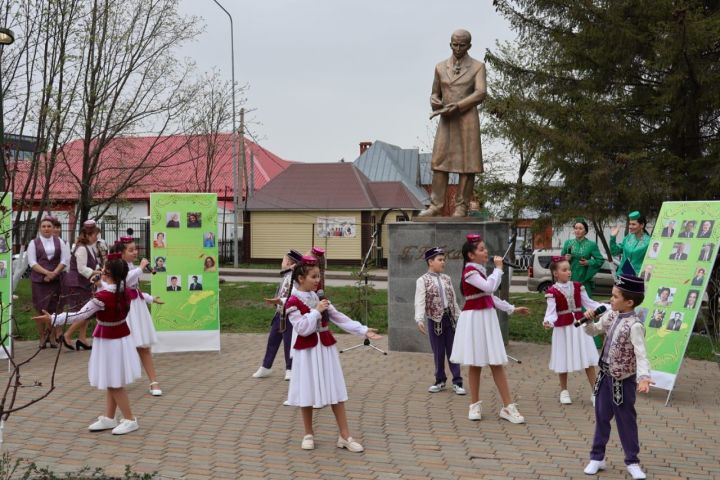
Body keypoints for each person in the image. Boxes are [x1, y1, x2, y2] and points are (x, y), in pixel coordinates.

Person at [34, 253, 162, 435]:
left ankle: (130, 419)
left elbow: (79, 315)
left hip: (110, 341)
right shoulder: (125, 290)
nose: (101, 271)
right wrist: (101, 284)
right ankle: (109, 417)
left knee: (115, 383)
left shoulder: (102, 298)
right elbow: (111, 288)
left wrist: (54, 318)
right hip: (120, 338)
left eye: (104, 270)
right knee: (112, 379)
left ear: (110, 275)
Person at [283, 255, 381, 451]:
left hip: (325, 347)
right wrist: (316, 312)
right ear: (301, 279)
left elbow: (338, 317)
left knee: (336, 388)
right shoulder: (292, 302)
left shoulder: (319, 297)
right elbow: (302, 328)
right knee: (307, 389)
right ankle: (308, 433)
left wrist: (363, 330)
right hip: (307, 350)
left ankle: (345, 436)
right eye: (313, 276)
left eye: (318, 276)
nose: (317, 280)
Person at [450, 234, 530, 423]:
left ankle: (508, 407)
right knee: (475, 363)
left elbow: (489, 297)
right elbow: (489, 287)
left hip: (486, 317)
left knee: (495, 361)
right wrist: (499, 269)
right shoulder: (470, 272)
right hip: (475, 319)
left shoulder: (478, 270)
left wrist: (511, 309)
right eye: (481, 249)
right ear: (470, 255)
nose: (486, 251)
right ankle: (475, 404)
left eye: (485, 248)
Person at [581, 274, 653, 480]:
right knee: (601, 416)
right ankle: (597, 457)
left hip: (623, 380)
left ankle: (632, 461)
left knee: (626, 421)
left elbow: (641, 355)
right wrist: (588, 320)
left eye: (615, 296)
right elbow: (593, 331)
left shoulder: (635, 326)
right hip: (604, 376)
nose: (610, 299)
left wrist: (644, 377)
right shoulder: (610, 316)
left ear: (629, 302)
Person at [418, 29, 487, 217]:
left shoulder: (477, 67)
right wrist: (435, 101)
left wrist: (459, 106)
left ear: (469, 46)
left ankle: (461, 206)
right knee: (439, 161)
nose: (458, 48)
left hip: (467, 119)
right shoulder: (440, 67)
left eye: (462, 45)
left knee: (467, 164)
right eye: (454, 44)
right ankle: (436, 205)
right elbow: (435, 93)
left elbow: (481, 92)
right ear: (450, 44)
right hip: (446, 120)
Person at [543, 257, 600, 405]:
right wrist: (548, 321)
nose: (568, 272)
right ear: (555, 273)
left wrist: (604, 307)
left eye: (569, 269)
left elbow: (588, 303)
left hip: (581, 326)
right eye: (564, 270)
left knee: (587, 358)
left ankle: (595, 391)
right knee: (563, 357)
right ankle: (564, 390)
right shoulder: (552, 291)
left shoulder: (577, 286)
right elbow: (551, 312)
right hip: (563, 328)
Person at [111, 237, 164, 396]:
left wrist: (150, 298)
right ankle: (116, 381)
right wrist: (140, 269)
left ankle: (153, 381)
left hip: (137, 308)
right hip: (125, 309)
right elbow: (124, 282)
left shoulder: (132, 266)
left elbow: (135, 289)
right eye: (131, 250)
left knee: (143, 345)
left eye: (136, 249)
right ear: (121, 253)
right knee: (122, 345)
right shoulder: (117, 267)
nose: (135, 252)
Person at [414, 247, 465, 395]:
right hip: (435, 320)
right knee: (438, 352)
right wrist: (419, 319)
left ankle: (457, 381)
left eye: (444, 259)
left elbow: (453, 300)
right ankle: (440, 380)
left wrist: (459, 317)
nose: (443, 262)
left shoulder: (446, 278)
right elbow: (419, 301)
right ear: (430, 261)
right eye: (440, 260)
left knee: (453, 350)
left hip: (449, 319)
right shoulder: (422, 280)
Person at [253, 249, 303, 381]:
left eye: (283, 260)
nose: (282, 263)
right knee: (272, 340)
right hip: (279, 312)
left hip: (291, 314)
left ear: (289, 262)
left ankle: (290, 368)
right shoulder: (286, 275)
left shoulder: (297, 276)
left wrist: (295, 269)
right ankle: (266, 366)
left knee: (288, 342)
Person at [28, 217, 69, 348]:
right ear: (40, 228)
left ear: (53, 228)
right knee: (40, 309)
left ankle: (51, 337)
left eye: (49, 226)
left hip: (55, 281)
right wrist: (46, 273)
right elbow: (32, 262)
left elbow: (64, 260)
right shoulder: (33, 243)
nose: (46, 228)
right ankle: (42, 337)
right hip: (39, 281)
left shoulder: (60, 242)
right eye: (44, 226)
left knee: (54, 309)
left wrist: (54, 274)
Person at [62, 219, 103, 351]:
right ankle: (67, 335)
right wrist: (96, 271)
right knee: (84, 312)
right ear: (89, 235)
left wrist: (99, 268)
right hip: (77, 284)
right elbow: (82, 268)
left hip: (84, 284)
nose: (97, 237)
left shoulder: (89, 247)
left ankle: (82, 338)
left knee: (88, 312)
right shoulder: (81, 248)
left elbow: (91, 264)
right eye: (96, 235)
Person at [561, 218, 605, 296]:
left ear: (585, 231)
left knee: (585, 305)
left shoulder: (591, 245)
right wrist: (565, 259)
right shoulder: (568, 243)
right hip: (569, 279)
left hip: (584, 279)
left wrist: (588, 262)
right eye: (576, 228)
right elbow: (560, 260)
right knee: (570, 304)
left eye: (580, 228)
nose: (577, 230)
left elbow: (600, 260)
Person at [610, 211, 651, 277]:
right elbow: (614, 252)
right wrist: (612, 238)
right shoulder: (627, 238)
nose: (630, 227)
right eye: (630, 224)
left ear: (642, 225)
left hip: (637, 278)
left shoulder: (649, 241)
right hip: (622, 275)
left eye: (633, 224)